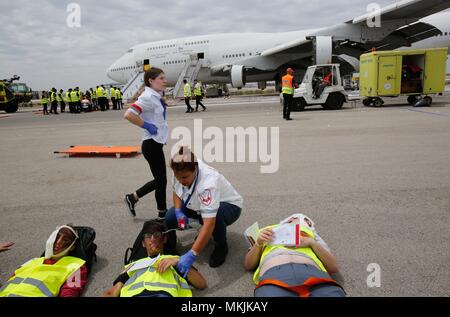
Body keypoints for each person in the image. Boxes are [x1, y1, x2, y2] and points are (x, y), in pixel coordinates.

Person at [165, 146, 243, 272]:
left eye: (184, 178)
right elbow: (177, 191)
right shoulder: (179, 169)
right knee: (170, 216)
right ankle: (170, 248)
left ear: (195, 169)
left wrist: (192, 254)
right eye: (178, 177)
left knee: (214, 217)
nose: (181, 180)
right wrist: (179, 212)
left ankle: (221, 245)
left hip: (229, 206)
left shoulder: (208, 182)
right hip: (197, 204)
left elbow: (209, 223)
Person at [244, 213, 345, 297]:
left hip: (312, 272)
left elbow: (334, 267)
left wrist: (312, 243)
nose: (299, 221)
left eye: (306, 222)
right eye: (295, 219)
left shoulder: (311, 235)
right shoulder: (265, 232)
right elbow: (248, 265)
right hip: (274, 275)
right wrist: (258, 243)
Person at [102, 220, 206, 297]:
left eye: (157, 235)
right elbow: (112, 292)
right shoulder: (132, 265)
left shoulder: (172, 259)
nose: (152, 239)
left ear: (164, 239)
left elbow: (201, 283)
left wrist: (178, 261)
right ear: (143, 243)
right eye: (148, 236)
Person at [124, 67, 169, 220]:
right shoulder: (147, 96)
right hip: (151, 144)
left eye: (164, 78)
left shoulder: (155, 95)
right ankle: (162, 214)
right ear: (151, 80)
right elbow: (129, 115)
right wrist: (147, 126)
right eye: (161, 78)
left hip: (156, 143)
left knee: (160, 179)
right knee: (161, 180)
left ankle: (133, 197)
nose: (165, 81)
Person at [0, 226, 88, 297]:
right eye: (56, 237)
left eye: (65, 240)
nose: (58, 242)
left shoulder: (75, 265)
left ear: (72, 247)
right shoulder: (33, 261)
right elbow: (9, 281)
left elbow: (71, 291)